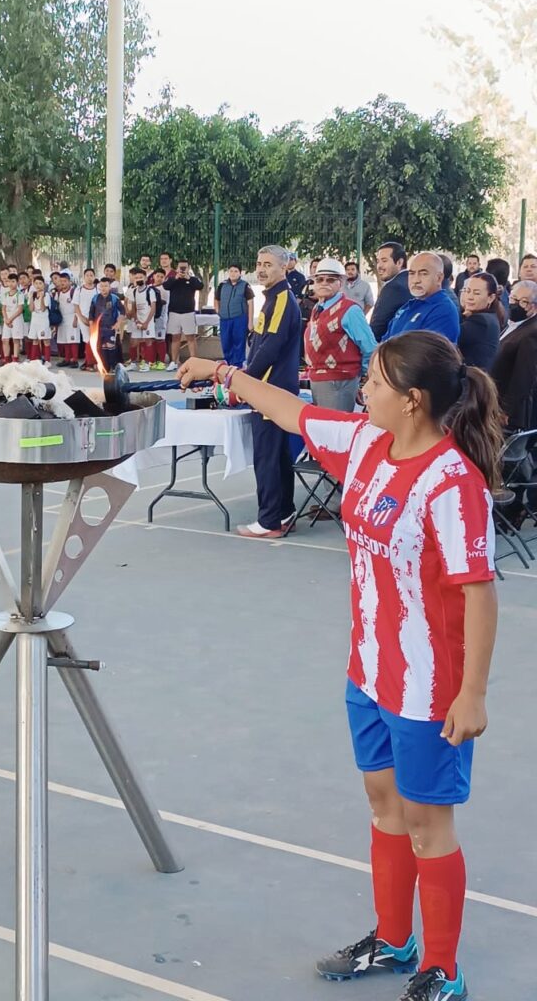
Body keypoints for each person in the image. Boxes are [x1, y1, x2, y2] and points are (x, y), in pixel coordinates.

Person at [180, 329, 501, 1001]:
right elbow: (289, 410)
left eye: (375, 382)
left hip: (428, 688)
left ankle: (443, 970)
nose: (363, 390)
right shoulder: (363, 443)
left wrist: (472, 692)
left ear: (412, 400)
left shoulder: (452, 483)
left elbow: (478, 592)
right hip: (369, 670)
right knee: (384, 804)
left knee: (428, 822)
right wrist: (221, 373)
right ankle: (394, 939)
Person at [238, 245, 301, 538]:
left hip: (270, 389)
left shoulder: (283, 299)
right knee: (278, 454)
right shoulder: (273, 298)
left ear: (284, 267)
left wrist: (244, 381)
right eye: (259, 263)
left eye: (268, 264)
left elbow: (271, 347)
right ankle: (284, 511)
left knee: (267, 456)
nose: (261, 269)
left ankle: (269, 521)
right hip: (270, 387)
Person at [304, 258, 376, 412]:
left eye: (330, 279)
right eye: (319, 279)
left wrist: (361, 376)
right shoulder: (318, 308)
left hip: (339, 381)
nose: (324, 283)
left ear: (341, 283)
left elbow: (370, 347)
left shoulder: (350, 310)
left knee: (332, 425)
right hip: (319, 379)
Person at [490, 279, 537, 430]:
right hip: (495, 400)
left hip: (508, 414)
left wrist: (506, 410)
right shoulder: (513, 323)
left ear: (534, 306)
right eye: (513, 299)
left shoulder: (532, 333)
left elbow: (523, 377)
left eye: (523, 301)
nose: (515, 304)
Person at [384, 254, 460, 343]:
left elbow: (426, 350)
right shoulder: (407, 307)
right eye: (412, 273)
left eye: (423, 274)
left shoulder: (444, 310)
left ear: (439, 278)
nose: (416, 280)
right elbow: (385, 342)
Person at [163, 259, 203, 371]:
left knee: (190, 337)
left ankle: (194, 362)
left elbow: (200, 286)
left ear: (188, 268)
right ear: (177, 268)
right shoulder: (172, 279)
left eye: (185, 267)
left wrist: (188, 278)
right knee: (175, 337)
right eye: (181, 267)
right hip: (174, 312)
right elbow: (166, 286)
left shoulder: (193, 279)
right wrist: (176, 278)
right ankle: (174, 362)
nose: (182, 269)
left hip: (188, 313)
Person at [458, 273, 502, 372]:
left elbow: (451, 334)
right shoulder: (488, 317)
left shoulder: (481, 321)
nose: (470, 297)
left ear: (491, 298)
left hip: (472, 378)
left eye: (476, 293)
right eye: (467, 291)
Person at [370, 242, 412, 342]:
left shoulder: (393, 287)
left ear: (399, 262)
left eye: (384, 261)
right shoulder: (410, 281)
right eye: (378, 261)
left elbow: (377, 326)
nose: (379, 266)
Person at [214, 263, 255, 367]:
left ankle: (238, 365)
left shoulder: (245, 286)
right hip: (225, 319)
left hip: (239, 318)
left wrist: (250, 322)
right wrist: (218, 311)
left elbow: (250, 303)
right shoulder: (222, 285)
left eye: (236, 271)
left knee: (239, 342)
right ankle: (228, 362)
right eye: (231, 271)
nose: (233, 273)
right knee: (226, 342)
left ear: (240, 273)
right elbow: (216, 299)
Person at [124, 266, 159, 372]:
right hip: (137, 321)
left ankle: (147, 364)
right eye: (136, 277)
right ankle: (133, 363)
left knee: (148, 341)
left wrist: (146, 322)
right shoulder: (134, 291)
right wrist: (136, 320)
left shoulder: (150, 291)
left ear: (145, 278)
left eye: (141, 277)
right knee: (133, 342)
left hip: (148, 321)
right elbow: (134, 307)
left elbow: (153, 308)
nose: (138, 279)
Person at [89, 277, 123, 373]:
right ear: (99, 287)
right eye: (102, 286)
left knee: (110, 346)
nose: (103, 288)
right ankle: (105, 367)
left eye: (106, 286)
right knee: (102, 346)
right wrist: (91, 326)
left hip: (110, 327)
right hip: (99, 328)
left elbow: (123, 311)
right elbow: (91, 314)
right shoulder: (95, 298)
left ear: (109, 287)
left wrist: (118, 323)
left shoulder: (115, 298)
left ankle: (114, 366)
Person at [0, 272, 28, 364]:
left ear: (17, 282)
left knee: (16, 339)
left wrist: (10, 319)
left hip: (16, 319)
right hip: (7, 320)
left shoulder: (19, 294)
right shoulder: (5, 295)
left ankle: (15, 358)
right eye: (9, 281)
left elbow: (20, 309)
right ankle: (6, 358)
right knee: (5, 340)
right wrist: (6, 319)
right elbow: (3, 308)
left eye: (13, 281)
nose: (11, 284)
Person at [75, 267, 98, 371]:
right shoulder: (79, 290)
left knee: (95, 340)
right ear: (84, 277)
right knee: (88, 340)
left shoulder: (97, 290)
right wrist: (81, 318)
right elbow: (76, 305)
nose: (89, 277)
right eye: (87, 275)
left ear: (94, 277)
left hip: (95, 319)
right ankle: (89, 363)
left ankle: (95, 362)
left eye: (91, 275)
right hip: (83, 319)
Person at [28, 275, 52, 365]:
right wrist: (31, 298)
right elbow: (31, 309)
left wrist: (41, 297)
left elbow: (43, 308)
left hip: (43, 321)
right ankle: (33, 359)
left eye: (40, 283)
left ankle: (47, 360)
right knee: (35, 339)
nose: (38, 285)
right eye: (36, 283)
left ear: (44, 284)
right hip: (34, 320)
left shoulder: (46, 295)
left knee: (45, 340)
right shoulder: (33, 294)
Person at [55, 272, 79, 367]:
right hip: (62, 319)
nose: (62, 283)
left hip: (72, 318)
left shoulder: (73, 292)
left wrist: (76, 319)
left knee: (73, 340)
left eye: (65, 281)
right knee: (65, 340)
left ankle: (75, 360)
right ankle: (67, 359)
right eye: (61, 281)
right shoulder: (58, 293)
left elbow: (77, 306)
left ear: (69, 282)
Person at [150, 267, 170, 370]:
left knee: (160, 339)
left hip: (160, 319)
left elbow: (161, 303)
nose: (159, 278)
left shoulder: (165, 289)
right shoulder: (149, 288)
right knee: (151, 340)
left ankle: (161, 362)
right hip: (150, 319)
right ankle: (152, 361)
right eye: (158, 276)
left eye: (162, 277)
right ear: (153, 276)